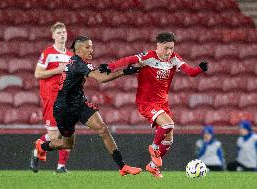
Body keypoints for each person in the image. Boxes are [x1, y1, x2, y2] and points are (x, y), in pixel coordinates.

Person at [99, 32, 208, 178]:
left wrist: (200, 69)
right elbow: (129, 59)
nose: (169, 51)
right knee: (168, 125)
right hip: (146, 102)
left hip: (162, 103)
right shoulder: (148, 57)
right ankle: (154, 147)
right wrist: (111, 66)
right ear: (158, 46)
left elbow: (190, 71)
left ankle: (152, 166)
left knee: (169, 140)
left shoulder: (174, 58)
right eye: (166, 48)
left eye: (171, 48)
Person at [34, 36, 142, 176]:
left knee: (103, 129)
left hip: (79, 103)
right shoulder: (78, 63)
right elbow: (101, 79)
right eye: (87, 47)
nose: (91, 50)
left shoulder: (82, 62)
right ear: (78, 50)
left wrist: (113, 67)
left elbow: (99, 73)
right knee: (67, 144)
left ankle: (122, 166)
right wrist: (125, 71)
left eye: (91, 46)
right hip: (64, 109)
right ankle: (41, 146)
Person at [30, 22, 73, 173]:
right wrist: (57, 70)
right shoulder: (47, 53)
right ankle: (38, 149)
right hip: (51, 98)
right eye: (59, 32)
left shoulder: (70, 55)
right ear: (53, 35)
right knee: (55, 137)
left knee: (68, 132)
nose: (62, 34)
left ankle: (61, 167)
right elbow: (38, 74)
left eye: (64, 32)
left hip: (66, 99)